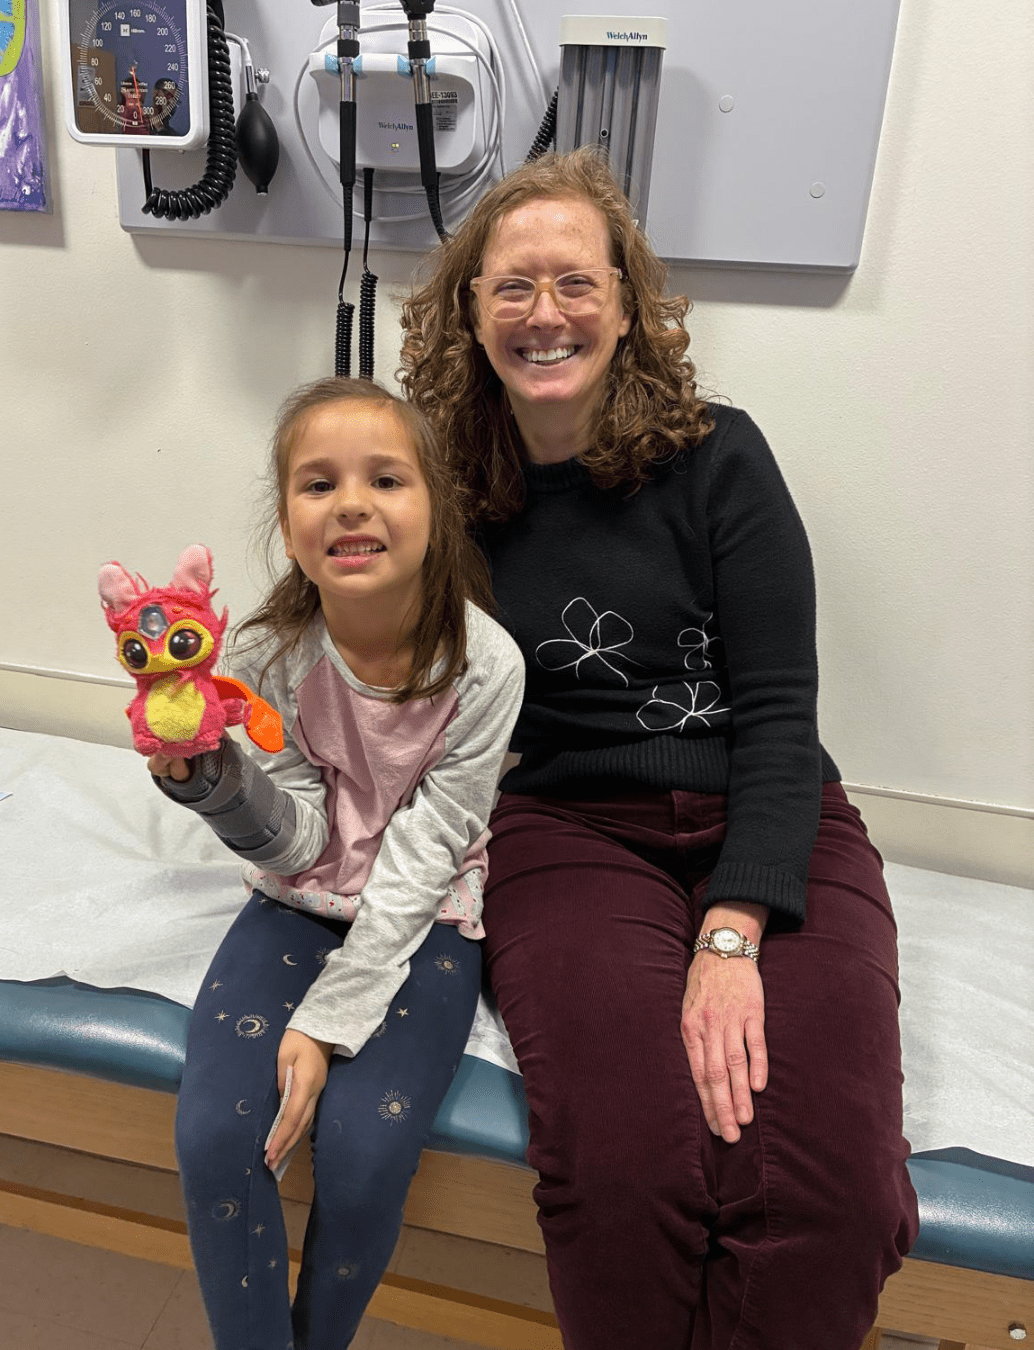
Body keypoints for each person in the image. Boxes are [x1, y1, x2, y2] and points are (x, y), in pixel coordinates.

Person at [400, 149, 919, 1350]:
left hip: (767, 811)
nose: (545, 314)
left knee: (831, 1195)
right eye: (511, 287)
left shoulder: (719, 457)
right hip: (566, 830)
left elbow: (784, 715)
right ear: (468, 312)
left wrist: (732, 930)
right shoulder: (443, 487)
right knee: (629, 1176)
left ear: (628, 305)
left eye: (575, 282)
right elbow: (377, 665)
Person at [148, 377, 525, 1350]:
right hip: (295, 900)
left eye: (386, 479)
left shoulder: (486, 666)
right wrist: (214, 784)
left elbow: (423, 855)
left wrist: (328, 1019)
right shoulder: (268, 655)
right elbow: (302, 840)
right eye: (318, 484)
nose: (352, 502)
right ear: (287, 520)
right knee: (216, 1136)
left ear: (435, 509)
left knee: (363, 1150)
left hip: (424, 914)